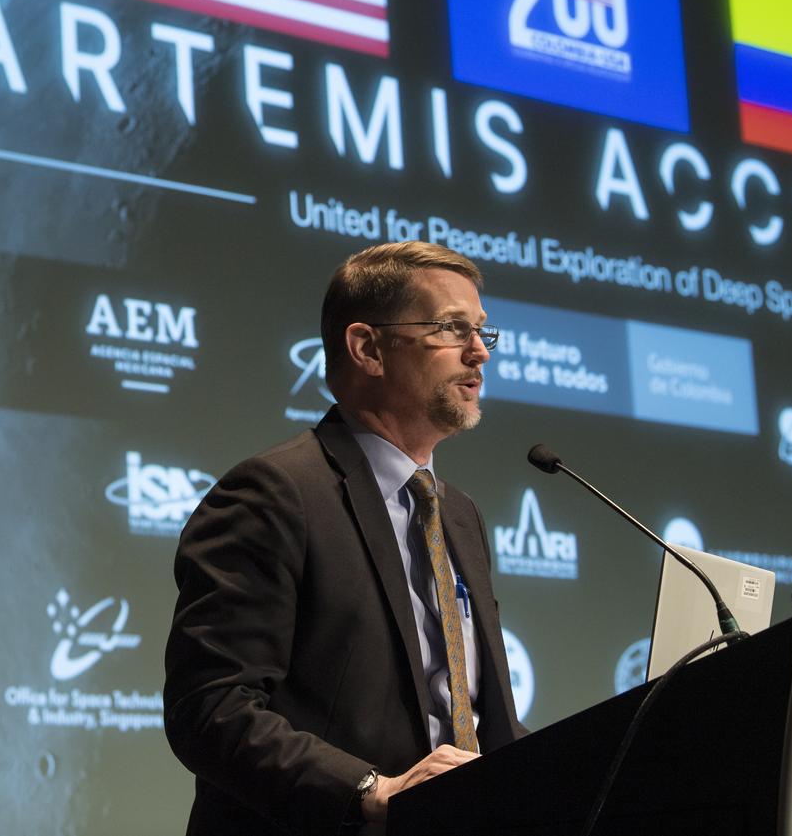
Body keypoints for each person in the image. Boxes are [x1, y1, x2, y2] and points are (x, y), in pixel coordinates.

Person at [164, 242, 525, 835]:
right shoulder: (274, 494)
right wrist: (369, 793)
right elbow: (210, 707)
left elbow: (490, 724)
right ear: (367, 348)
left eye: (482, 331)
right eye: (451, 329)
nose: (480, 352)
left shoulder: (458, 515)